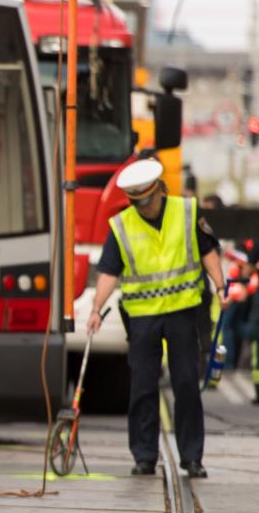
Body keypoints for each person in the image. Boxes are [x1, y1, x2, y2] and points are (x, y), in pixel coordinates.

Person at [88, 158, 228, 479]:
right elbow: (109, 271)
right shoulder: (122, 224)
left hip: (182, 313)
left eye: (147, 200)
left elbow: (208, 251)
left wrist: (220, 286)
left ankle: (192, 457)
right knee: (142, 387)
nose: (143, 207)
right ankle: (144, 455)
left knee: (185, 385)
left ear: (159, 191)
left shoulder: (187, 211)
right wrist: (96, 309)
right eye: (136, 202)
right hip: (142, 319)